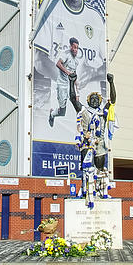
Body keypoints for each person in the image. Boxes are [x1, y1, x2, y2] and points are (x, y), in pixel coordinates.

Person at [69, 72, 116, 209]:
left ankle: (102, 191)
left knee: (101, 169)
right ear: (88, 101)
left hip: (100, 143)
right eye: (92, 99)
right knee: (87, 169)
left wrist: (111, 83)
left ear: (100, 101)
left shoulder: (103, 112)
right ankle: (86, 192)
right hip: (87, 143)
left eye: (97, 99)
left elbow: (112, 100)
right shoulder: (84, 111)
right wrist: (71, 82)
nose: (95, 100)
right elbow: (73, 99)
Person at [49, 37, 80, 126]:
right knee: (62, 112)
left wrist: (77, 89)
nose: (76, 50)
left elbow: (74, 75)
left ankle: (80, 126)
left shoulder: (76, 61)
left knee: (77, 104)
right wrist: (67, 72)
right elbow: (58, 64)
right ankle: (52, 114)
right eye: (74, 47)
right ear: (70, 47)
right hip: (62, 85)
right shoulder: (66, 54)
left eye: (77, 48)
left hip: (70, 87)